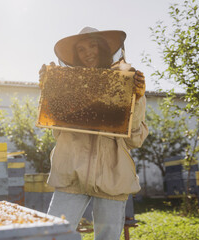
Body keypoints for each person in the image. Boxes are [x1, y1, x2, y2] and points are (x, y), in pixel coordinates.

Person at [45, 27, 148, 240]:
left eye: (92, 45)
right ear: (76, 56)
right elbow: (57, 134)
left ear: (103, 48)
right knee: (52, 235)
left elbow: (135, 139)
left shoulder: (126, 82)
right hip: (71, 174)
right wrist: (49, 94)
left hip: (112, 177)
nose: (88, 52)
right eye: (81, 49)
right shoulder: (67, 86)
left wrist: (136, 100)